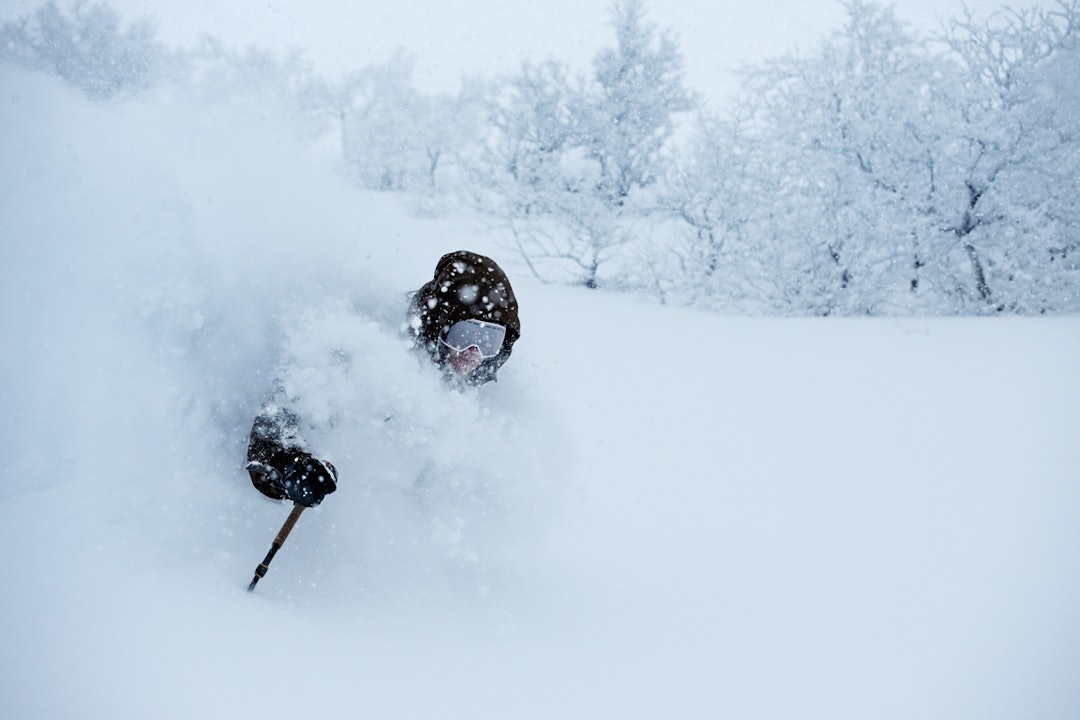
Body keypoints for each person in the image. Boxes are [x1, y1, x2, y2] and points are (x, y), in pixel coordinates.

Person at [244, 250, 521, 508]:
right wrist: (291, 466)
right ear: (440, 325)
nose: (474, 353)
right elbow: (278, 420)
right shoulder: (368, 347)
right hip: (336, 523)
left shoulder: (471, 385)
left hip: (397, 534)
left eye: (489, 340)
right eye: (465, 336)